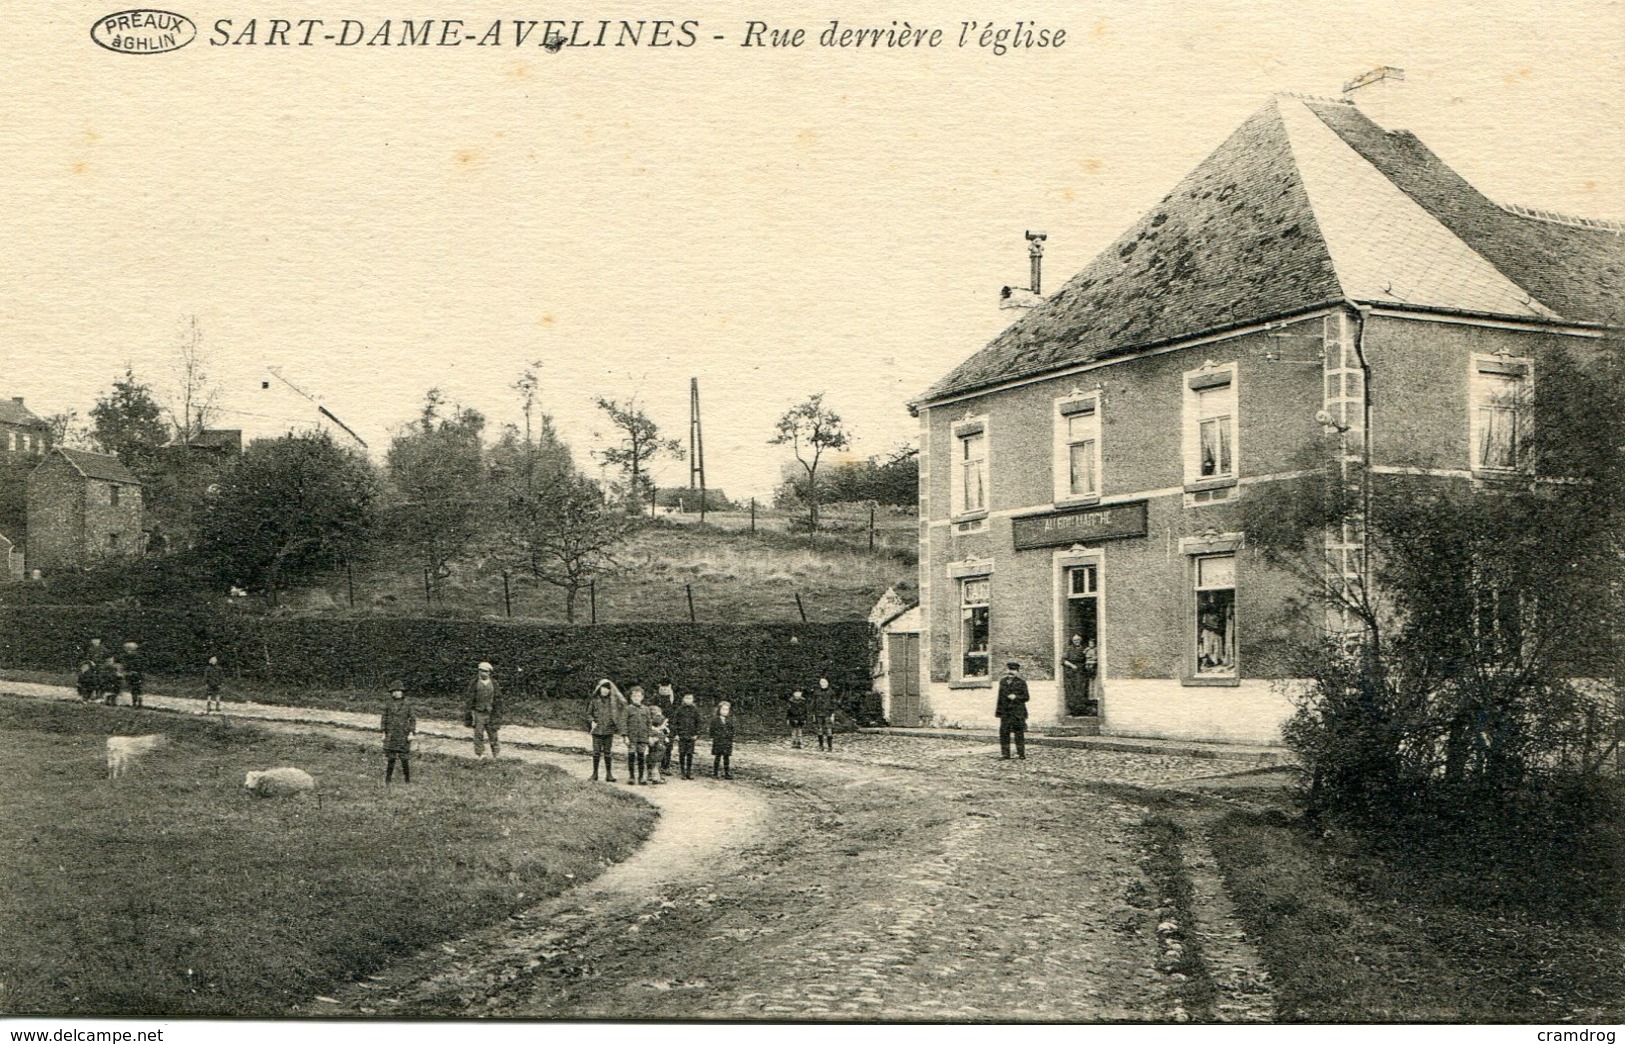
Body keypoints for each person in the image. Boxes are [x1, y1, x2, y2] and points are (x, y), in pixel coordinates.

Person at [586, 678, 626, 782]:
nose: (605, 691)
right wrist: (592, 721)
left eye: (607, 689)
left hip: (608, 731)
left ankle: (609, 775)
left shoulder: (612, 702)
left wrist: (616, 724)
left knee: (608, 753)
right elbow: (588, 714)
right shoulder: (594, 701)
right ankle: (595, 774)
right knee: (596, 753)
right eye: (603, 688)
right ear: (599, 689)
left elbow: (619, 713)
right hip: (597, 731)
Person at [464, 661, 503, 758]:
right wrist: (469, 712)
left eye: (485, 671)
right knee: (478, 734)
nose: (483, 673)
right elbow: (469, 699)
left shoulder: (494, 684)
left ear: (489, 672)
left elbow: (498, 699)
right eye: (480, 671)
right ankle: (479, 754)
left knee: (493, 734)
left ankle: (496, 755)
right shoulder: (474, 683)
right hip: (479, 712)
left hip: (491, 713)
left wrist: (497, 713)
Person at [381, 679, 416, 784]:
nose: (397, 693)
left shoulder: (407, 704)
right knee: (391, 758)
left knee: (404, 758)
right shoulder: (388, 704)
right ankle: (387, 780)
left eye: (399, 690)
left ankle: (407, 780)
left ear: (402, 692)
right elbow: (384, 718)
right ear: (392, 693)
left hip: (403, 734)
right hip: (391, 734)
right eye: (394, 691)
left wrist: (411, 733)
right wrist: (383, 732)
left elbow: (413, 719)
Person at [994, 661, 1030, 760]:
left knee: (1019, 732)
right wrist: (999, 712)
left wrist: (1016, 697)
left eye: (1013, 670)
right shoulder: (1002, 682)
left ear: (1017, 671)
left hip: (1017, 712)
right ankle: (1005, 754)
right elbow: (1000, 698)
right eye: (1009, 669)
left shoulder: (1021, 682)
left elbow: (1026, 697)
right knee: (1004, 732)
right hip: (1005, 712)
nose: (1011, 672)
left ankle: (1021, 753)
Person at [622, 686, 656, 785]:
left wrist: (649, 735)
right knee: (631, 756)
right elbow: (623, 723)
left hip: (642, 737)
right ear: (631, 698)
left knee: (641, 756)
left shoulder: (646, 709)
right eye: (634, 696)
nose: (636, 698)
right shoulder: (628, 709)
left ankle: (641, 777)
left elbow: (649, 723)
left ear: (642, 697)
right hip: (631, 737)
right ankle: (632, 777)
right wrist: (625, 736)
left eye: (638, 696)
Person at [671, 692, 702, 779]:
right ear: (683, 699)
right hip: (682, 735)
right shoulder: (679, 710)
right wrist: (676, 734)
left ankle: (689, 772)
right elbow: (674, 723)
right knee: (682, 753)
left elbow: (699, 723)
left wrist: (697, 734)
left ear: (693, 700)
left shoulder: (695, 710)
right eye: (686, 698)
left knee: (690, 754)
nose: (688, 700)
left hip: (691, 736)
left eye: (690, 698)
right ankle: (682, 772)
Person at [654, 681, 678, 775]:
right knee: (658, 746)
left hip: (670, 726)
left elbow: (675, 714)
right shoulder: (656, 698)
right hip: (658, 725)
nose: (664, 690)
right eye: (662, 688)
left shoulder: (673, 699)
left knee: (668, 747)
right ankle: (656, 767)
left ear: (669, 687)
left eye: (666, 688)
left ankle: (666, 766)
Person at [710, 699, 736, 779]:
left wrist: (731, 737)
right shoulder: (715, 720)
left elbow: (732, 730)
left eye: (727, 710)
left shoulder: (730, 720)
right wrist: (714, 738)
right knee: (717, 757)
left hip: (727, 741)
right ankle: (715, 773)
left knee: (726, 757)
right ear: (719, 710)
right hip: (718, 741)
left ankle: (727, 773)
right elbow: (712, 730)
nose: (725, 711)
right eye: (723, 709)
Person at [811, 677, 837, 752]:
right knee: (819, 729)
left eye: (824, 682)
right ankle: (821, 746)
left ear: (827, 683)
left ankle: (830, 747)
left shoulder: (831, 692)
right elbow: (813, 703)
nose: (823, 684)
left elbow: (834, 704)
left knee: (829, 729)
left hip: (828, 713)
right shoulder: (816, 692)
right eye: (821, 682)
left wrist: (833, 714)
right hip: (818, 713)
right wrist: (813, 714)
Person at [646, 709, 670, 785]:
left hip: (660, 754)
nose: (666, 725)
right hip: (655, 754)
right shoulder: (654, 733)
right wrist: (654, 740)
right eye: (665, 724)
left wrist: (665, 738)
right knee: (655, 766)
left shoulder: (660, 732)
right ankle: (655, 779)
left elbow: (665, 736)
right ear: (660, 725)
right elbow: (651, 743)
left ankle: (656, 777)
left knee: (657, 766)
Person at [119, 641, 145, 709]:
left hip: (135, 674)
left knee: (135, 689)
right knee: (137, 689)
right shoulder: (138, 656)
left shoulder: (132, 657)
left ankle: (136, 703)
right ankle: (138, 703)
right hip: (138, 674)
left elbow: (132, 666)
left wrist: (129, 671)